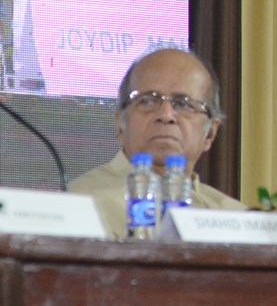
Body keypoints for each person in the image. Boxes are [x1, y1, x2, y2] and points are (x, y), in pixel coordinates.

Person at [69, 48, 248, 238]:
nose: (166, 115)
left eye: (184, 104)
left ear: (210, 134)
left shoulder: (239, 221)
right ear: (120, 124)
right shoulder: (77, 203)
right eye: (147, 101)